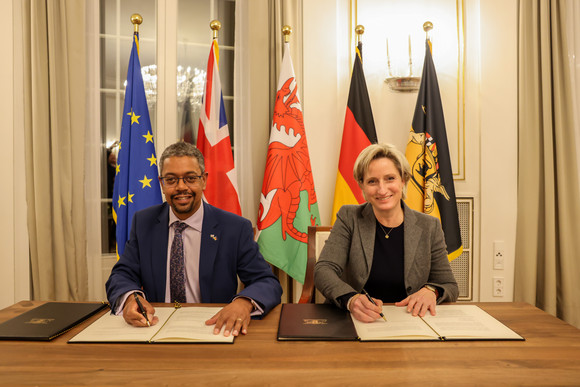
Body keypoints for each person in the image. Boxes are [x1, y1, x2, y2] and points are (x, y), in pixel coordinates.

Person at [106, 141, 282, 337]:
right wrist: (131, 298)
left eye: (190, 178)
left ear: (204, 180)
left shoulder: (234, 228)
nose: (182, 187)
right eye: (171, 180)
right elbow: (121, 275)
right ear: (161, 183)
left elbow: (266, 281)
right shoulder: (144, 222)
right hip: (154, 327)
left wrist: (244, 302)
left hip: (214, 327)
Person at [314, 143, 458, 322]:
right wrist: (351, 300)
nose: (382, 190)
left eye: (390, 178)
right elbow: (323, 270)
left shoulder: (429, 226)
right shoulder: (349, 217)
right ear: (362, 186)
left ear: (403, 180)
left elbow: (449, 285)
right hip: (358, 321)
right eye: (372, 181)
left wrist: (431, 291)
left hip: (411, 322)